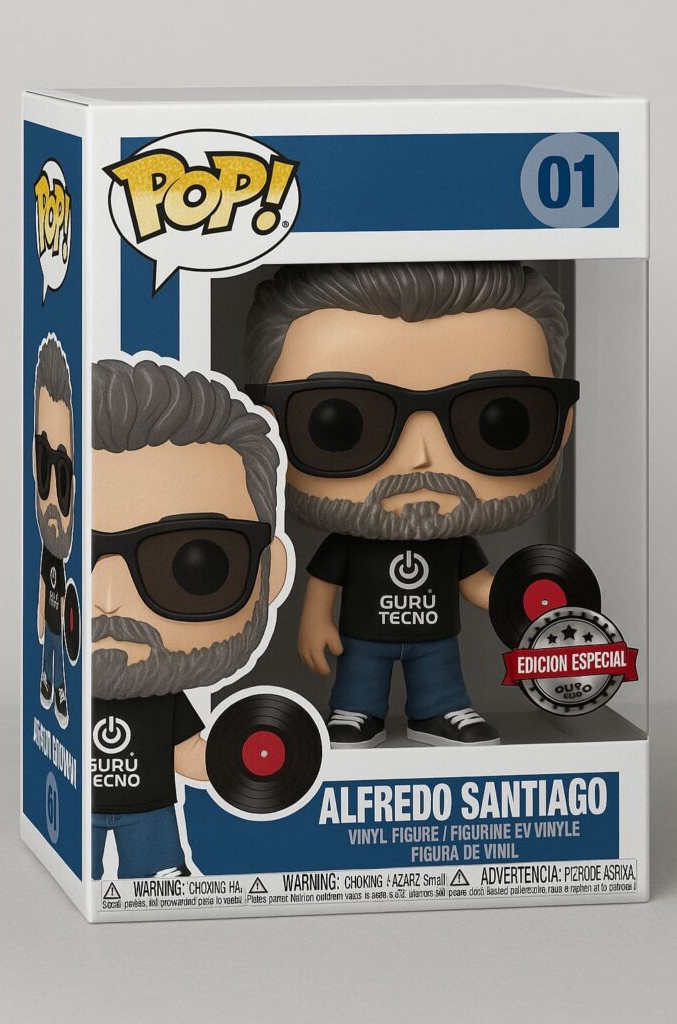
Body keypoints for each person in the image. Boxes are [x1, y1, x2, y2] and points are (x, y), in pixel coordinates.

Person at [246, 262, 575, 748]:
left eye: (498, 420)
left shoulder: (452, 542)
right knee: (359, 677)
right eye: (340, 423)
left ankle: (441, 711)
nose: (420, 457)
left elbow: (478, 585)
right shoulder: (350, 543)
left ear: (563, 426)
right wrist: (314, 622)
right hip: (363, 636)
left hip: (435, 637)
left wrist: (525, 601)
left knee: (440, 675)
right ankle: (355, 711)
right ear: (266, 426)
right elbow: (322, 584)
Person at [91, 358, 288, 878]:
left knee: (158, 877)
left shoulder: (164, 699)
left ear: (270, 574)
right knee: (74, 866)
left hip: (151, 813)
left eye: (192, 566)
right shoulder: (64, 692)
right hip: (74, 805)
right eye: (77, 559)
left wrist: (249, 756)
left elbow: (191, 757)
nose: (107, 601)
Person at [34, 334, 75, 729]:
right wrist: (38, 617)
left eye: (61, 474)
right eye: (42, 460)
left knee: (58, 657)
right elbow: (44, 587)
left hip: (61, 627)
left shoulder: (63, 559)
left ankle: (58, 689)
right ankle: (48, 685)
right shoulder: (51, 552)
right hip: (51, 624)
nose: (49, 501)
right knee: (48, 653)